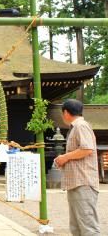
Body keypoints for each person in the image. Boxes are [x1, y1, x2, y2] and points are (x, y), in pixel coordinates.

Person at [55, 99, 100, 235]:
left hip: (83, 182)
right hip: (76, 183)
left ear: (66, 112)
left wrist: (65, 157)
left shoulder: (80, 126)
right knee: (76, 227)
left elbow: (87, 149)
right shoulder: (78, 126)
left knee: (88, 227)